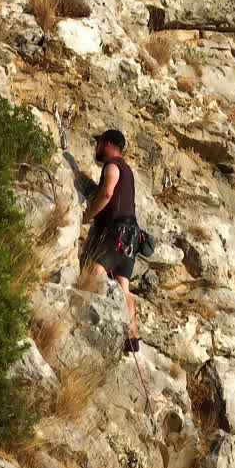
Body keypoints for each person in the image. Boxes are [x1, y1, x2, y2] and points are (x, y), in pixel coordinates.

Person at [79, 128, 141, 354]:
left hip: (117, 232)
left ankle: (99, 323)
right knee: (124, 286)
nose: (96, 147)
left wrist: (87, 216)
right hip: (132, 236)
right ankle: (132, 336)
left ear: (106, 144)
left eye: (98, 142)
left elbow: (107, 193)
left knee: (95, 272)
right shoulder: (129, 170)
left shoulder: (113, 166)